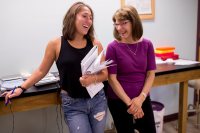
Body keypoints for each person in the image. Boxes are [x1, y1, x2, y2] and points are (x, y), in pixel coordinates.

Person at [2, 2, 108, 133]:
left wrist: (91, 79)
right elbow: (41, 71)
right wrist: (21, 88)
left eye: (91, 18)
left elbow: (105, 74)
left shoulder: (95, 43)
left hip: (97, 101)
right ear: (72, 17)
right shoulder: (55, 44)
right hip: (73, 104)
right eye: (85, 16)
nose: (89, 21)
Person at [105, 5, 156, 133]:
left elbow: (151, 74)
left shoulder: (147, 45)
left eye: (124, 23)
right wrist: (131, 104)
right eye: (116, 24)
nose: (119, 28)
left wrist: (140, 99)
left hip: (142, 98)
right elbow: (112, 79)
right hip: (119, 100)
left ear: (134, 22)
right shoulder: (112, 47)